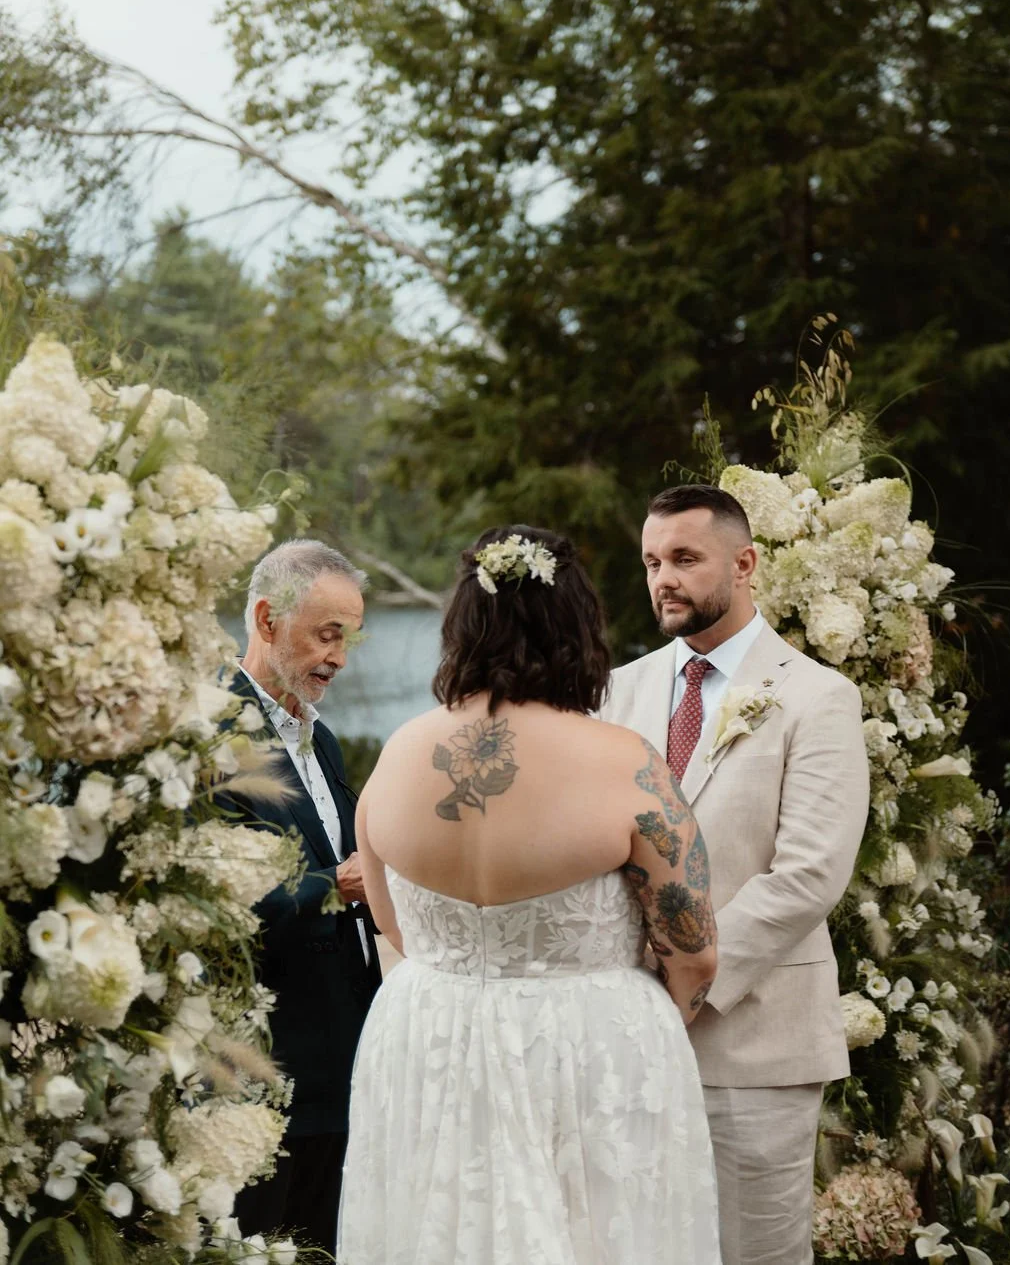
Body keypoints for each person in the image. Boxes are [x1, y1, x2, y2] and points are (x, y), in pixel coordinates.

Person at [339, 525, 721, 1265]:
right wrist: (634, 1019)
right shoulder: (626, 767)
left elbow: (397, 928)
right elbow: (695, 952)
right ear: (579, 630)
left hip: (429, 1040)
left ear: (463, 628)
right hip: (588, 1057)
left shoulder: (399, 752)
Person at [600, 485, 869, 1265]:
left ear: (745, 562)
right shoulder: (619, 690)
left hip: (754, 1040)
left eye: (685, 558)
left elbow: (809, 874)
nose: (663, 579)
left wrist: (687, 978)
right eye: (652, 561)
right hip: (628, 1039)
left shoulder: (818, 695)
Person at [220, 539, 382, 1260]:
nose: (339, 657)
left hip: (344, 1070)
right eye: (326, 634)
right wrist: (341, 882)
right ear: (265, 618)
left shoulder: (329, 744)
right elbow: (222, 903)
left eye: (345, 637)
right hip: (260, 1081)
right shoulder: (212, 737)